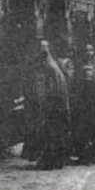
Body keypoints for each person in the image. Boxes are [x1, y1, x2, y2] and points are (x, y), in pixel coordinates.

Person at [32, 39, 71, 170]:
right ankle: (55, 160)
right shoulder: (49, 64)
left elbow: (53, 89)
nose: (42, 50)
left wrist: (46, 103)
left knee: (52, 133)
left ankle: (53, 161)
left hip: (54, 106)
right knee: (53, 133)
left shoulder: (50, 67)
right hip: (53, 105)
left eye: (44, 47)